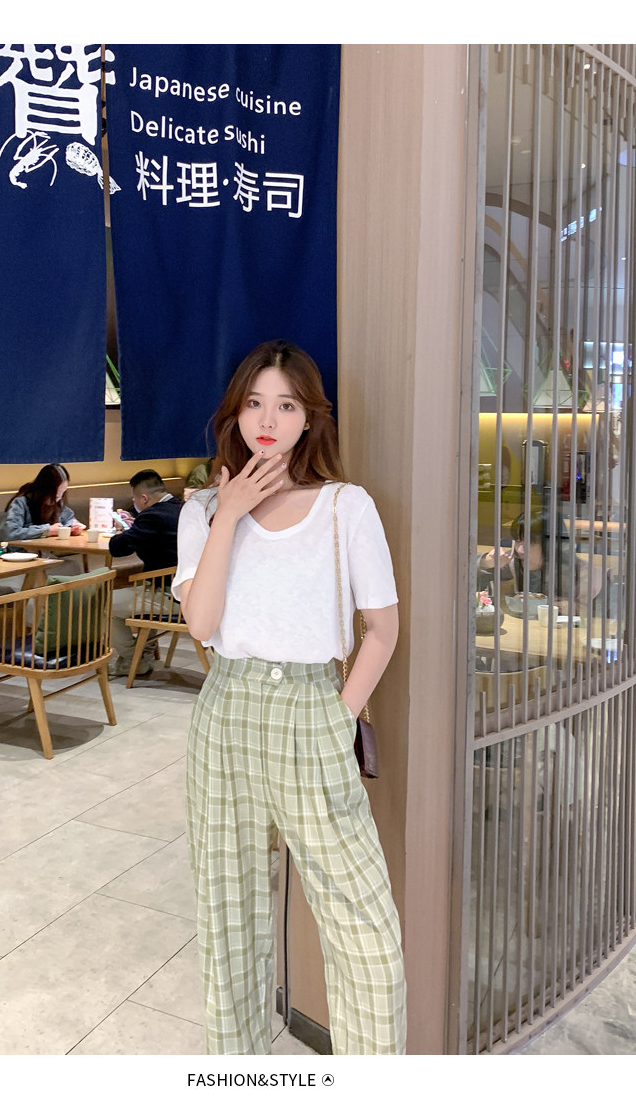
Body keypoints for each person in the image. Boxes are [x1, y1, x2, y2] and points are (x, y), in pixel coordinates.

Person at [172, 339, 406, 1055]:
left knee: (366, 935)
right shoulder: (202, 511)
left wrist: (339, 716)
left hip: (312, 710)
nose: (267, 420)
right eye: (254, 403)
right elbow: (201, 624)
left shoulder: (345, 507)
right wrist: (229, 514)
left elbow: (382, 630)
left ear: (310, 418)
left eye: (286, 405)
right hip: (226, 712)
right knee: (228, 919)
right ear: (235, 413)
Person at [108, 470, 184, 678]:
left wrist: (122, 529)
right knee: (142, 591)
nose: (134, 503)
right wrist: (136, 525)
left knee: (106, 603)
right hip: (190, 593)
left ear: (144, 498)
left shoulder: (152, 516)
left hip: (171, 596)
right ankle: (145, 652)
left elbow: (118, 548)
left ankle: (134, 659)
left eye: (134, 500)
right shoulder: (182, 507)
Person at [0, 463, 85, 541]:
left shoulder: (58, 504)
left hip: (49, 551)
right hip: (24, 552)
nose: (59, 497)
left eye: (63, 492)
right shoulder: (21, 503)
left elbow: (70, 519)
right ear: (44, 490)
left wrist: (74, 527)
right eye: (57, 493)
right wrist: (47, 530)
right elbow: (9, 534)